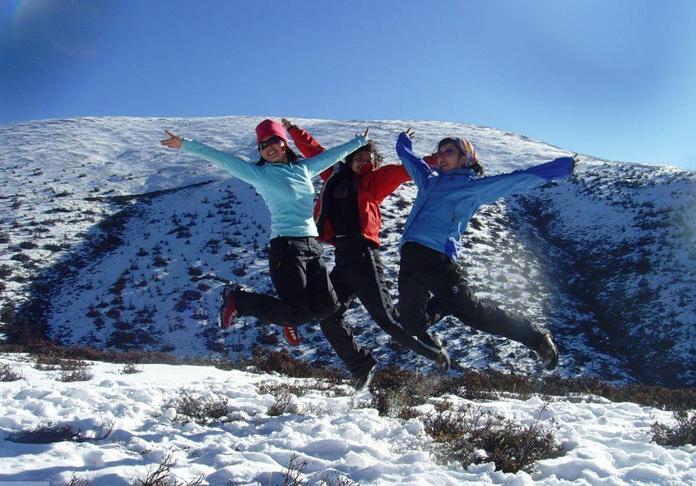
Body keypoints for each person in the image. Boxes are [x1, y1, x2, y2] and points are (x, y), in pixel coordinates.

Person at [160, 120, 369, 359]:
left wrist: (359, 142)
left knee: (329, 307)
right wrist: (186, 144)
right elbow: (223, 160)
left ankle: (284, 318)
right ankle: (238, 300)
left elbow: (332, 155)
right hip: (286, 247)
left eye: (273, 141)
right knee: (298, 313)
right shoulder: (259, 174)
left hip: (312, 246)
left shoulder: (303, 169)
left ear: (284, 144)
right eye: (262, 145)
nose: (268, 148)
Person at [281, 119, 450, 377]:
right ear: (349, 158)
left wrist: (439, 158)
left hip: (363, 253)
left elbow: (405, 169)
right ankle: (361, 366)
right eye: (359, 157)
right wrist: (293, 131)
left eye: (369, 159)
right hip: (343, 256)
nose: (364, 162)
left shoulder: (374, 181)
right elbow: (315, 151)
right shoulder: (334, 176)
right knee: (328, 315)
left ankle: (433, 344)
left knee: (387, 318)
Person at [395, 129, 575, 370]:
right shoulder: (428, 181)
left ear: (466, 158)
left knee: (473, 314)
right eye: (439, 153)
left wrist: (562, 167)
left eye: (449, 152)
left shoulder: (471, 189)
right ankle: (447, 304)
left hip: (436, 258)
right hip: (409, 256)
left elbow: (517, 180)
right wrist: (403, 140)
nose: (441, 157)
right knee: (411, 324)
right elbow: (409, 158)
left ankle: (536, 338)